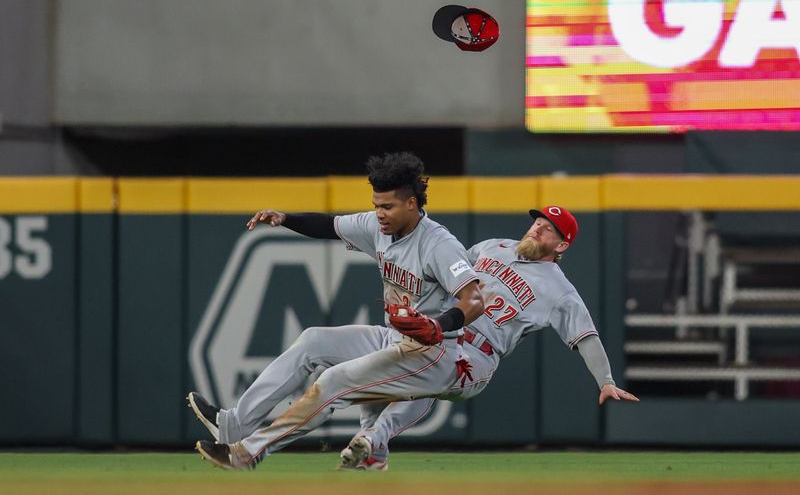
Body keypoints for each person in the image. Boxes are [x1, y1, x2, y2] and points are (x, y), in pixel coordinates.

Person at [187, 151, 489, 470]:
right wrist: (286, 219)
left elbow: (474, 300)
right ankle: (235, 423)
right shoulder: (378, 227)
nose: (379, 214)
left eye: (388, 206)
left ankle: (246, 453)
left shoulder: (439, 245)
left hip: (433, 353)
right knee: (312, 341)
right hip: (394, 338)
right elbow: (329, 225)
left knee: (334, 381)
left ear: (412, 204)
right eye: (376, 205)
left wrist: (439, 326)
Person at [335, 205, 639, 471]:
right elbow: (446, 277)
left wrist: (606, 381)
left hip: (478, 356)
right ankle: (373, 452)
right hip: (446, 333)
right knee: (378, 364)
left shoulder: (560, 291)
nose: (537, 229)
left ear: (561, 246)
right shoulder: (492, 247)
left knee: (432, 375)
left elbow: (586, 336)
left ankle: (373, 438)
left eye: (548, 230)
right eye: (537, 223)